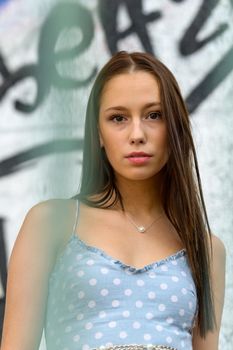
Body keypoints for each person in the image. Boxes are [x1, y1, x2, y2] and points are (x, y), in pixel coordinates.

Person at [1, 51, 226, 350]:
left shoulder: (205, 248)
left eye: (154, 115)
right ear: (99, 133)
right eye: (118, 118)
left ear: (175, 128)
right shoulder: (52, 223)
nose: (137, 134)